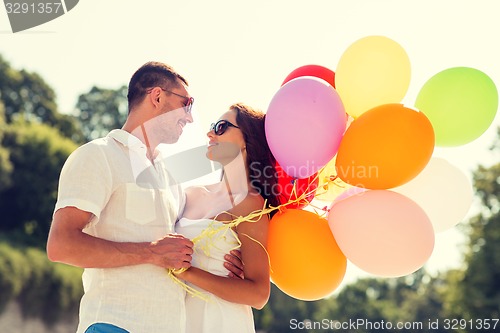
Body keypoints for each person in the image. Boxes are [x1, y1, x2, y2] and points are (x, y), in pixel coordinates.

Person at [46, 61, 243, 333]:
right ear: (158, 96)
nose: (190, 118)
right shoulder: (98, 155)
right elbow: (61, 245)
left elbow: (186, 242)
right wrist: (151, 252)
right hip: (114, 324)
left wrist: (227, 260)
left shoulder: (171, 179)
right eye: (186, 104)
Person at [174, 103, 280, 333]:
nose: (210, 133)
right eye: (213, 126)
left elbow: (259, 294)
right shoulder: (190, 194)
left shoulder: (250, 203)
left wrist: (188, 272)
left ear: (246, 140)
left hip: (221, 321)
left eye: (221, 127)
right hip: (178, 317)